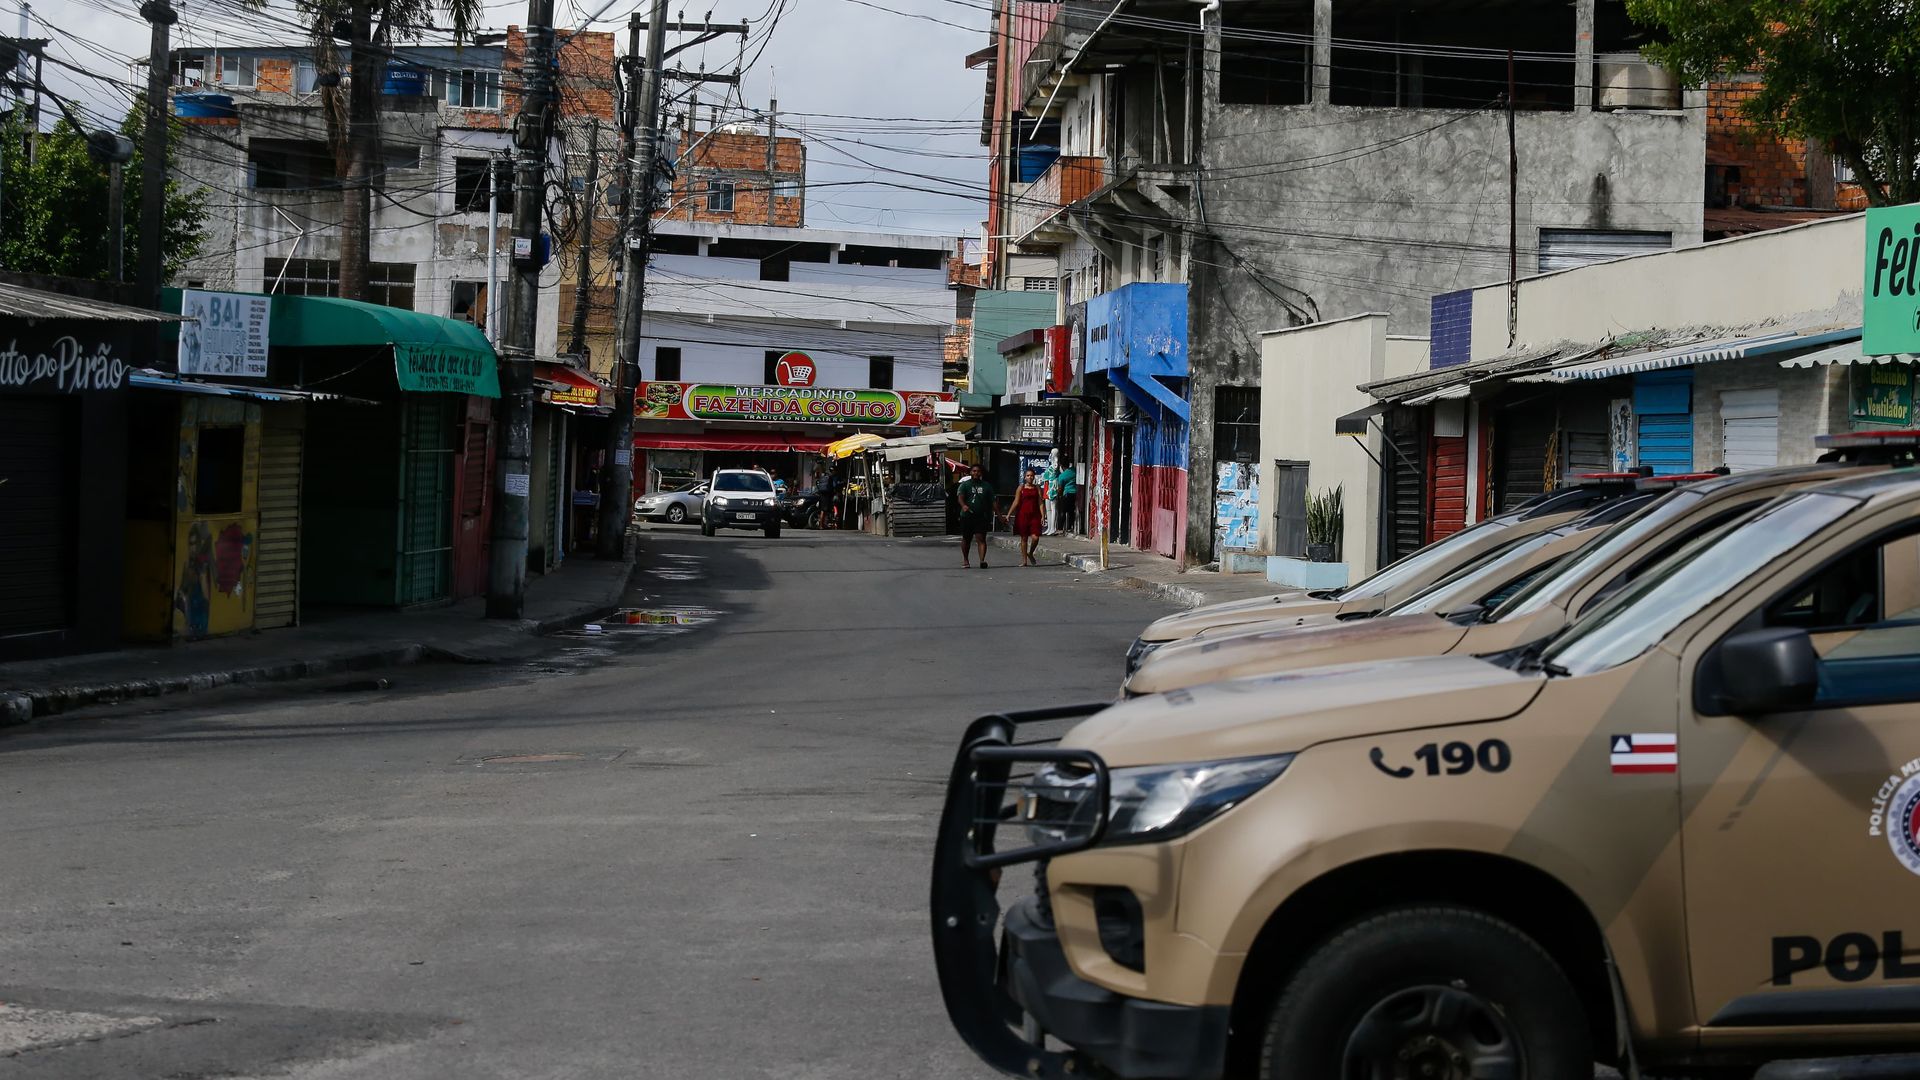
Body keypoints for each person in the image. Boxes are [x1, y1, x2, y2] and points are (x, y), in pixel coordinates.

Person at [956, 463, 994, 568]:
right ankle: (966, 560)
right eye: (974, 471)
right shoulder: (965, 485)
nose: (976, 473)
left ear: (981, 473)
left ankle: (982, 560)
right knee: (966, 539)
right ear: (970, 472)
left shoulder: (987, 486)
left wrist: (999, 516)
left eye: (978, 471)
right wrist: (963, 505)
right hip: (967, 516)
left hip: (981, 516)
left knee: (981, 538)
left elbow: (993, 502)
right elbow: (960, 497)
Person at [1009, 468, 1045, 565]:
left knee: (1035, 537)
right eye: (1028, 475)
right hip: (1023, 515)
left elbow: (1040, 502)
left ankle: (1031, 553)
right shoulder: (1021, 488)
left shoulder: (1037, 488)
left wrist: (1043, 516)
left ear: (1034, 477)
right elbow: (1016, 502)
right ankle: (1024, 560)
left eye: (1031, 475)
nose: (1030, 477)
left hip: (1034, 515)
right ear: (1025, 477)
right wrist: (1009, 514)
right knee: (1024, 538)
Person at [1042, 453, 1078, 535]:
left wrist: (1058, 495)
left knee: (1063, 511)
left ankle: (1060, 528)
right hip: (1075, 493)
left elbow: (1060, 488)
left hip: (1067, 494)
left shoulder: (1062, 476)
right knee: (1071, 511)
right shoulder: (1074, 471)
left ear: (1061, 465)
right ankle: (1070, 527)